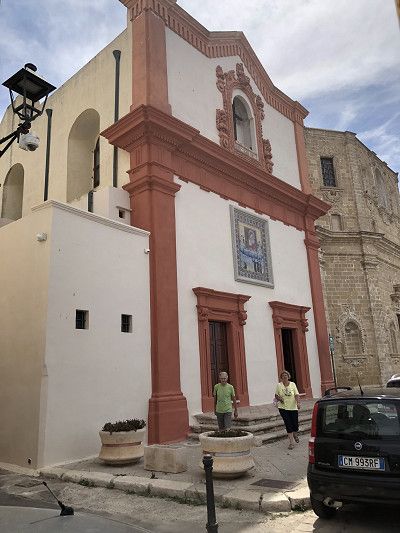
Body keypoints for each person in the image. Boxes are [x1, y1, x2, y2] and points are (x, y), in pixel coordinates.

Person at [275, 370, 301, 449]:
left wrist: (298, 403)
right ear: (281, 377)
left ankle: (295, 434)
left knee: (295, 424)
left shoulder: (293, 384)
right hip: (283, 408)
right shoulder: (279, 385)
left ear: (288, 376)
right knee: (288, 424)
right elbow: (276, 395)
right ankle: (291, 443)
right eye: (283, 376)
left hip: (293, 407)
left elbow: (296, 394)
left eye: (286, 375)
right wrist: (279, 398)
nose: (284, 377)